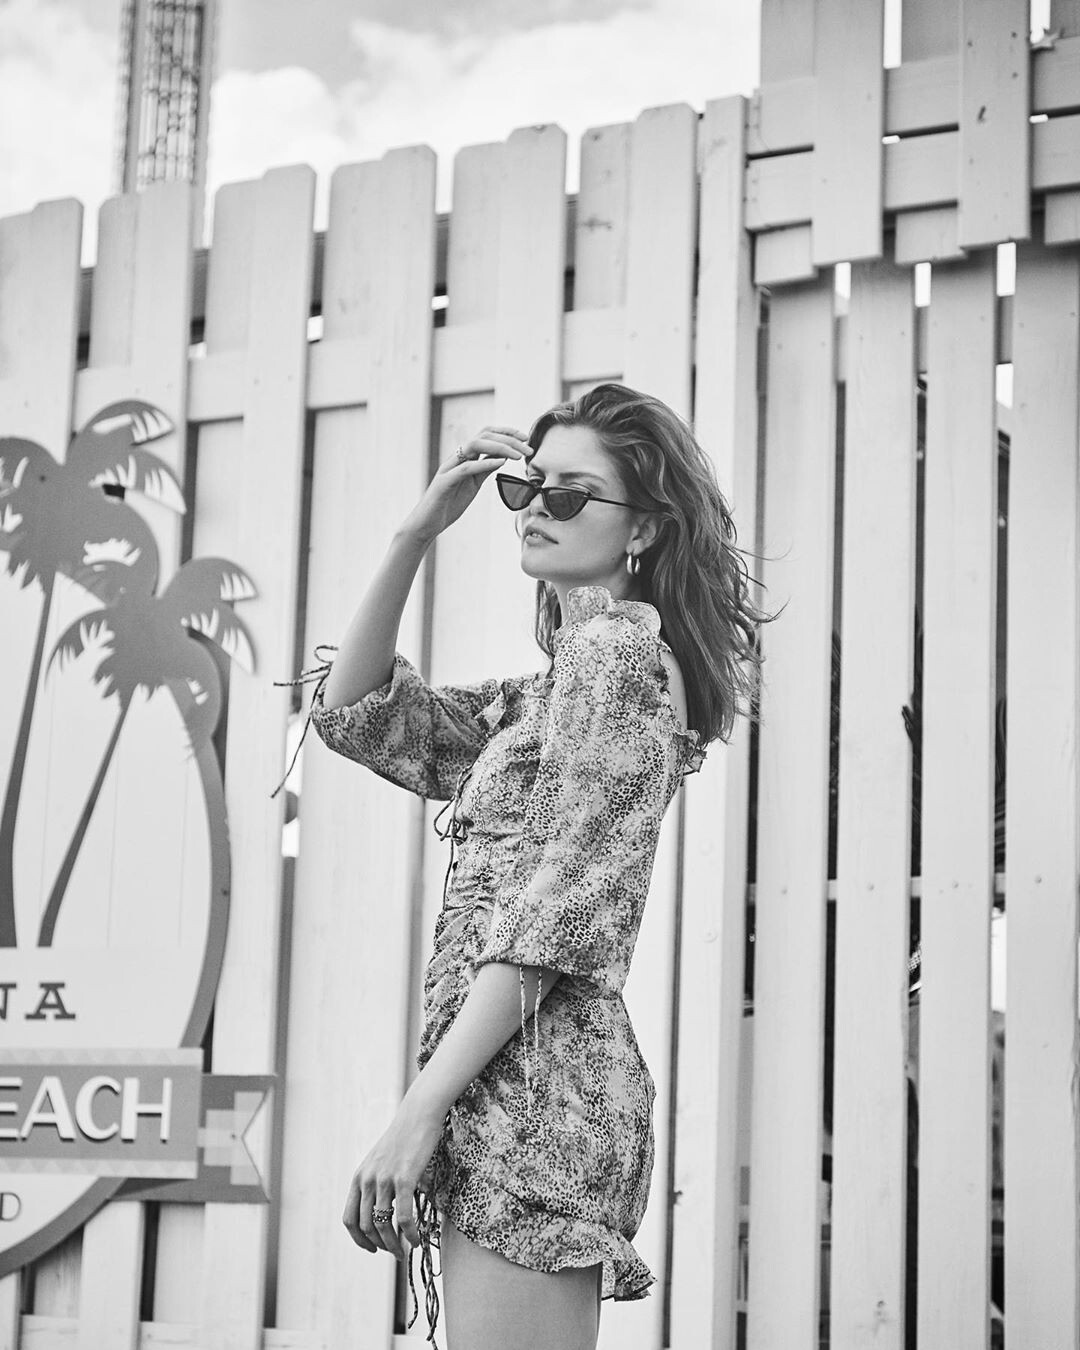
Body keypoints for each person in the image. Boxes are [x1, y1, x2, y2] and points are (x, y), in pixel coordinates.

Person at [308, 383, 770, 1349]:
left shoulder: (616, 660)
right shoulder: (550, 690)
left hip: (540, 1093)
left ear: (642, 529)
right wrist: (417, 531)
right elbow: (360, 717)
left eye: (570, 495)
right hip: (511, 1082)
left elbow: (561, 916)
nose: (535, 509)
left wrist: (418, 1111)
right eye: (527, 488)